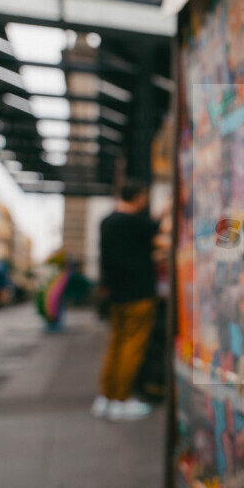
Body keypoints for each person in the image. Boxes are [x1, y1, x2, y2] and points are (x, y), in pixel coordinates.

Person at [93, 179, 164, 422]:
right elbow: (156, 232)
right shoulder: (137, 223)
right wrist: (164, 212)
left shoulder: (107, 222)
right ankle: (122, 399)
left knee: (115, 343)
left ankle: (107, 395)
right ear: (139, 197)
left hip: (115, 295)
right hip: (139, 293)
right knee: (132, 347)